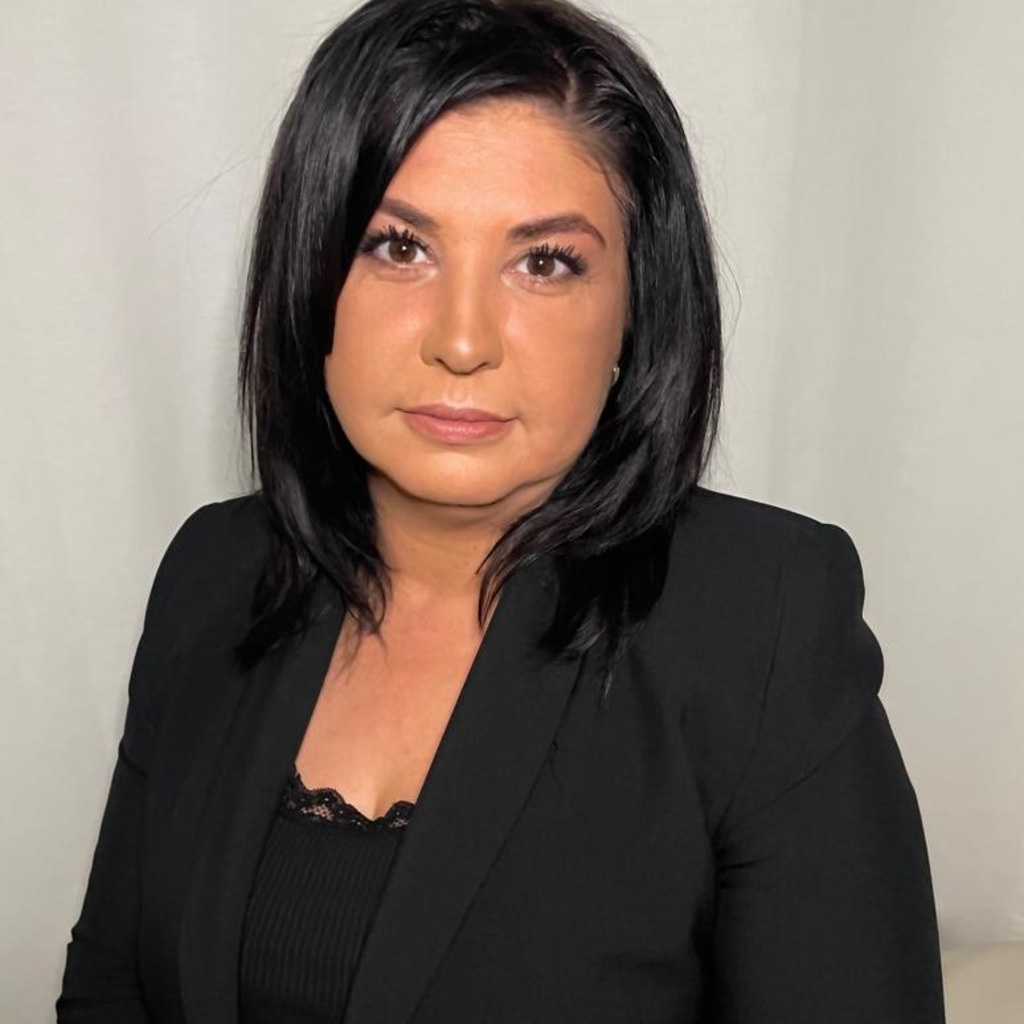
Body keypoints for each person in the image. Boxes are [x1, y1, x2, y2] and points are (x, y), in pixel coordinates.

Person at [55, 0, 947, 1021]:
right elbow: (111, 988)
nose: (463, 340)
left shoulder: (765, 624)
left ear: (635, 311)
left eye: (544, 262)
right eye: (399, 247)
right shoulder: (212, 570)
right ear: (310, 277)